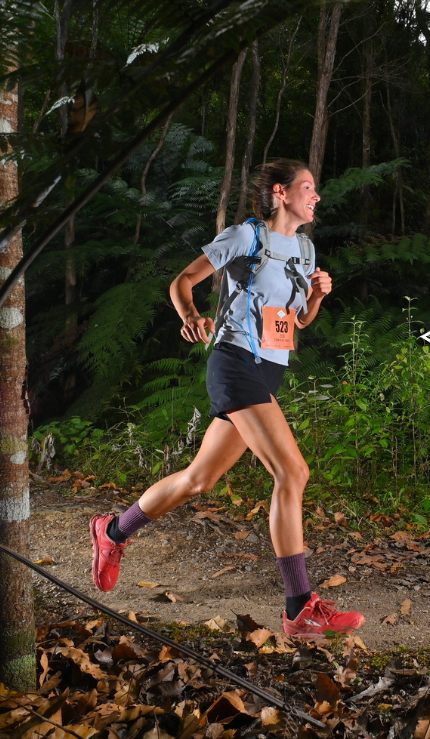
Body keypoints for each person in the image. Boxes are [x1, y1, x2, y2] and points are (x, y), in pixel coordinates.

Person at [89, 159, 364, 639]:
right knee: (293, 472)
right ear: (280, 193)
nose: (316, 196)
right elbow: (181, 282)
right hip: (235, 365)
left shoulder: (304, 247)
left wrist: (317, 296)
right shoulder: (245, 237)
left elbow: (297, 321)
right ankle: (299, 606)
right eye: (307, 187)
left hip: (269, 370)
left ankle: (112, 532)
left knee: (199, 479)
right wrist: (192, 316)